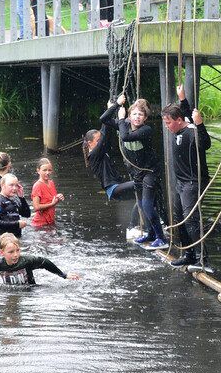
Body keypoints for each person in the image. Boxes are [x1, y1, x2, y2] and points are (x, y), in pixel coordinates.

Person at [101, 94, 168, 250]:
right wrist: (116, 105)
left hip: (150, 172)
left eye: (141, 115)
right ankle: (151, 234)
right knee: (141, 205)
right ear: (130, 115)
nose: (137, 117)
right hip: (137, 174)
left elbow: (125, 137)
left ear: (145, 118)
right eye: (135, 114)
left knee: (147, 205)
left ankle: (161, 238)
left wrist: (122, 120)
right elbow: (103, 119)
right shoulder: (125, 124)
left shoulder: (146, 130)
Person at [160, 85, 213, 271]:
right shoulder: (180, 126)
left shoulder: (192, 131)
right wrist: (182, 98)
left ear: (179, 120)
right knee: (178, 217)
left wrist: (199, 124)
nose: (167, 127)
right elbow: (187, 111)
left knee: (190, 219)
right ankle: (189, 254)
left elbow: (206, 144)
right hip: (181, 182)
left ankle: (202, 259)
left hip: (193, 181)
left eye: (168, 123)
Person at [83, 123, 141, 229]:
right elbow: (104, 133)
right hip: (113, 189)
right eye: (98, 141)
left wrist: (112, 115)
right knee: (143, 183)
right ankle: (132, 226)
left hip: (118, 186)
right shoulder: (93, 155)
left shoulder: (101, 151)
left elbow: (105, 132)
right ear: (90, 143)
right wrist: (111, 109)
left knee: (144, 195)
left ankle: (146, 223)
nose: (101, 142)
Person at [0, 233, 79, 287]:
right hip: (11, 291)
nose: (16, 255)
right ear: (2, 253)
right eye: (11, 252)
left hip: (30, 289)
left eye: (17, 250)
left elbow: (45, 262)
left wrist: (63, 275)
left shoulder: (27, 261)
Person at [0, 173, 31, 238]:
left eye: (16, 185)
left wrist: (21, 197)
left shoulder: (15, 199)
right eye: (11, 185)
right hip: (3, 240)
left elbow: (26, 214)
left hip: (15, 237)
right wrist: (17, 224)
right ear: (2, 185)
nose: (15, 188)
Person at [31, 158, 64, 227]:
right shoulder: (37, 186)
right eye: (44, 170)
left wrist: (58, 197)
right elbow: (36, 207)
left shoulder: (51, 183)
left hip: (50, 222)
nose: (47, 173)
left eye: (49, 170)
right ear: (38, 171)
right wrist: (52, 204)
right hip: (40, 224)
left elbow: (52, 200)